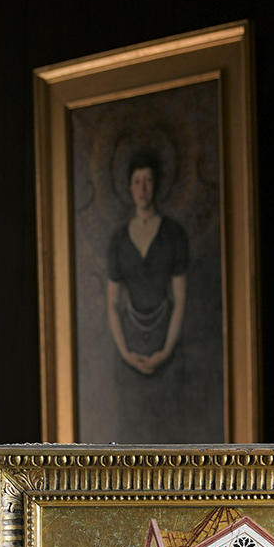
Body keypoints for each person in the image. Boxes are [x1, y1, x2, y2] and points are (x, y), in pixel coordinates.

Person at [106, 150, 188, 435]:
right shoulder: (118, 240)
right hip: (128, 344)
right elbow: (113, 305)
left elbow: (180, 301)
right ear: (129, 187)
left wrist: (166, 351)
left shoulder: (174, 234)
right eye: (137, 181)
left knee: (168, 428)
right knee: (130, 431)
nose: (143, 188)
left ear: (157, 185)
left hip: (166, 340)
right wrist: (126, 353)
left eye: (149, 181)